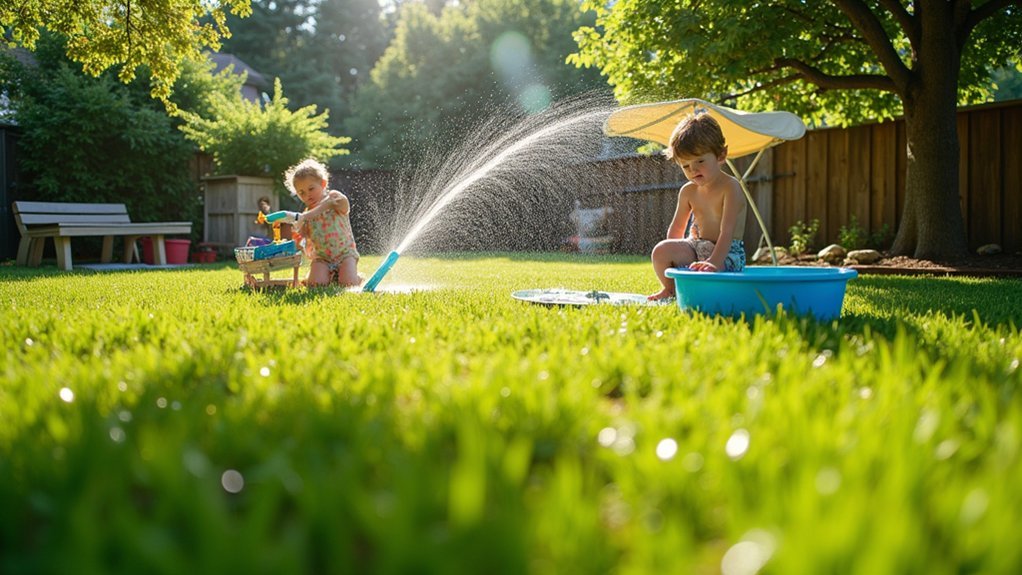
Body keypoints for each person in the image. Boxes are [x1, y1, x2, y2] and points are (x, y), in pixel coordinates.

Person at [648, 113, 747, 301]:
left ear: (721, 155)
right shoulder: (688, 191)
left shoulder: (730, 187)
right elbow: (677, 228)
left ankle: (705, 286)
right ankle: (671, 290)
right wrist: (672, 252)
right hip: (696, 246)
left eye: (700, 161)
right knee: (660, 251)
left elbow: (727, 231)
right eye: (685, 166)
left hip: (726, 252)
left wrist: (714, 263)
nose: (693, 170)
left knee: (710, 277)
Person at [283, 158, 361, 287]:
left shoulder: (334, 198)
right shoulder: (306, 214)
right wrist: (298, 236)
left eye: (311, 189)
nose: (307, 195)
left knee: (349, 283)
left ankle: (356, 277)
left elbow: (333, 204)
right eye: (301, 193)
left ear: (323, 184)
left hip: (345, 254)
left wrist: (304, 217)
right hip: (322, 257)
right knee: (316, 284)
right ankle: (327, 276)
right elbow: (302, 236)